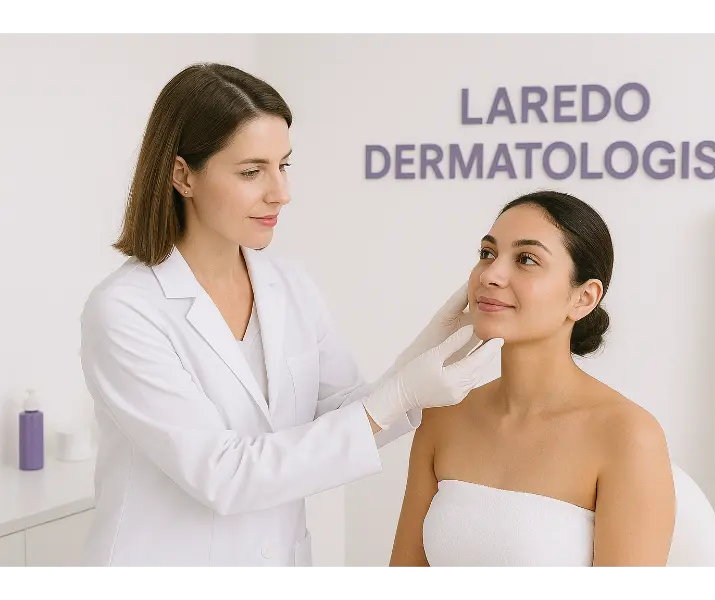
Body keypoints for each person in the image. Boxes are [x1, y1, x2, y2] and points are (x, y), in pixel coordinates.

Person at [77, 62, 502, 568]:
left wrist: (421, 356)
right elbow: (225, 476)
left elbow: (342, 421)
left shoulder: (288, 286)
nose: (280, 192)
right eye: (252, 171)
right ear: (182, 175)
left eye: (284, 165)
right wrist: (399, 394)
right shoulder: (126, 310)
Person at [389, 190, 676, 568]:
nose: (491, 275)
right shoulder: (444, 416)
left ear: (584, 298)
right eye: (487, 254)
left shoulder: (627, 436)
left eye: (526, 259)